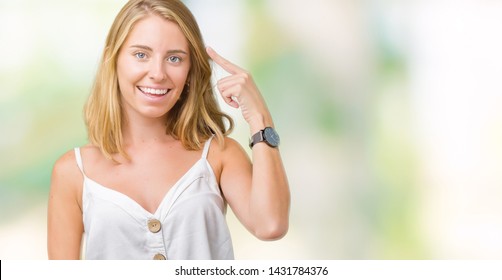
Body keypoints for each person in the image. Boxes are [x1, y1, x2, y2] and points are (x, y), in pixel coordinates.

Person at [47, 0, 290, 260]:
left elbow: (270, 225)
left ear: (190, 71)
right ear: (112, 59)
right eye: (141, 55)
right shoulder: (73, 172)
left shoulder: (219, 154)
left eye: (174, 58)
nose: (158, 73)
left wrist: (260, 118)